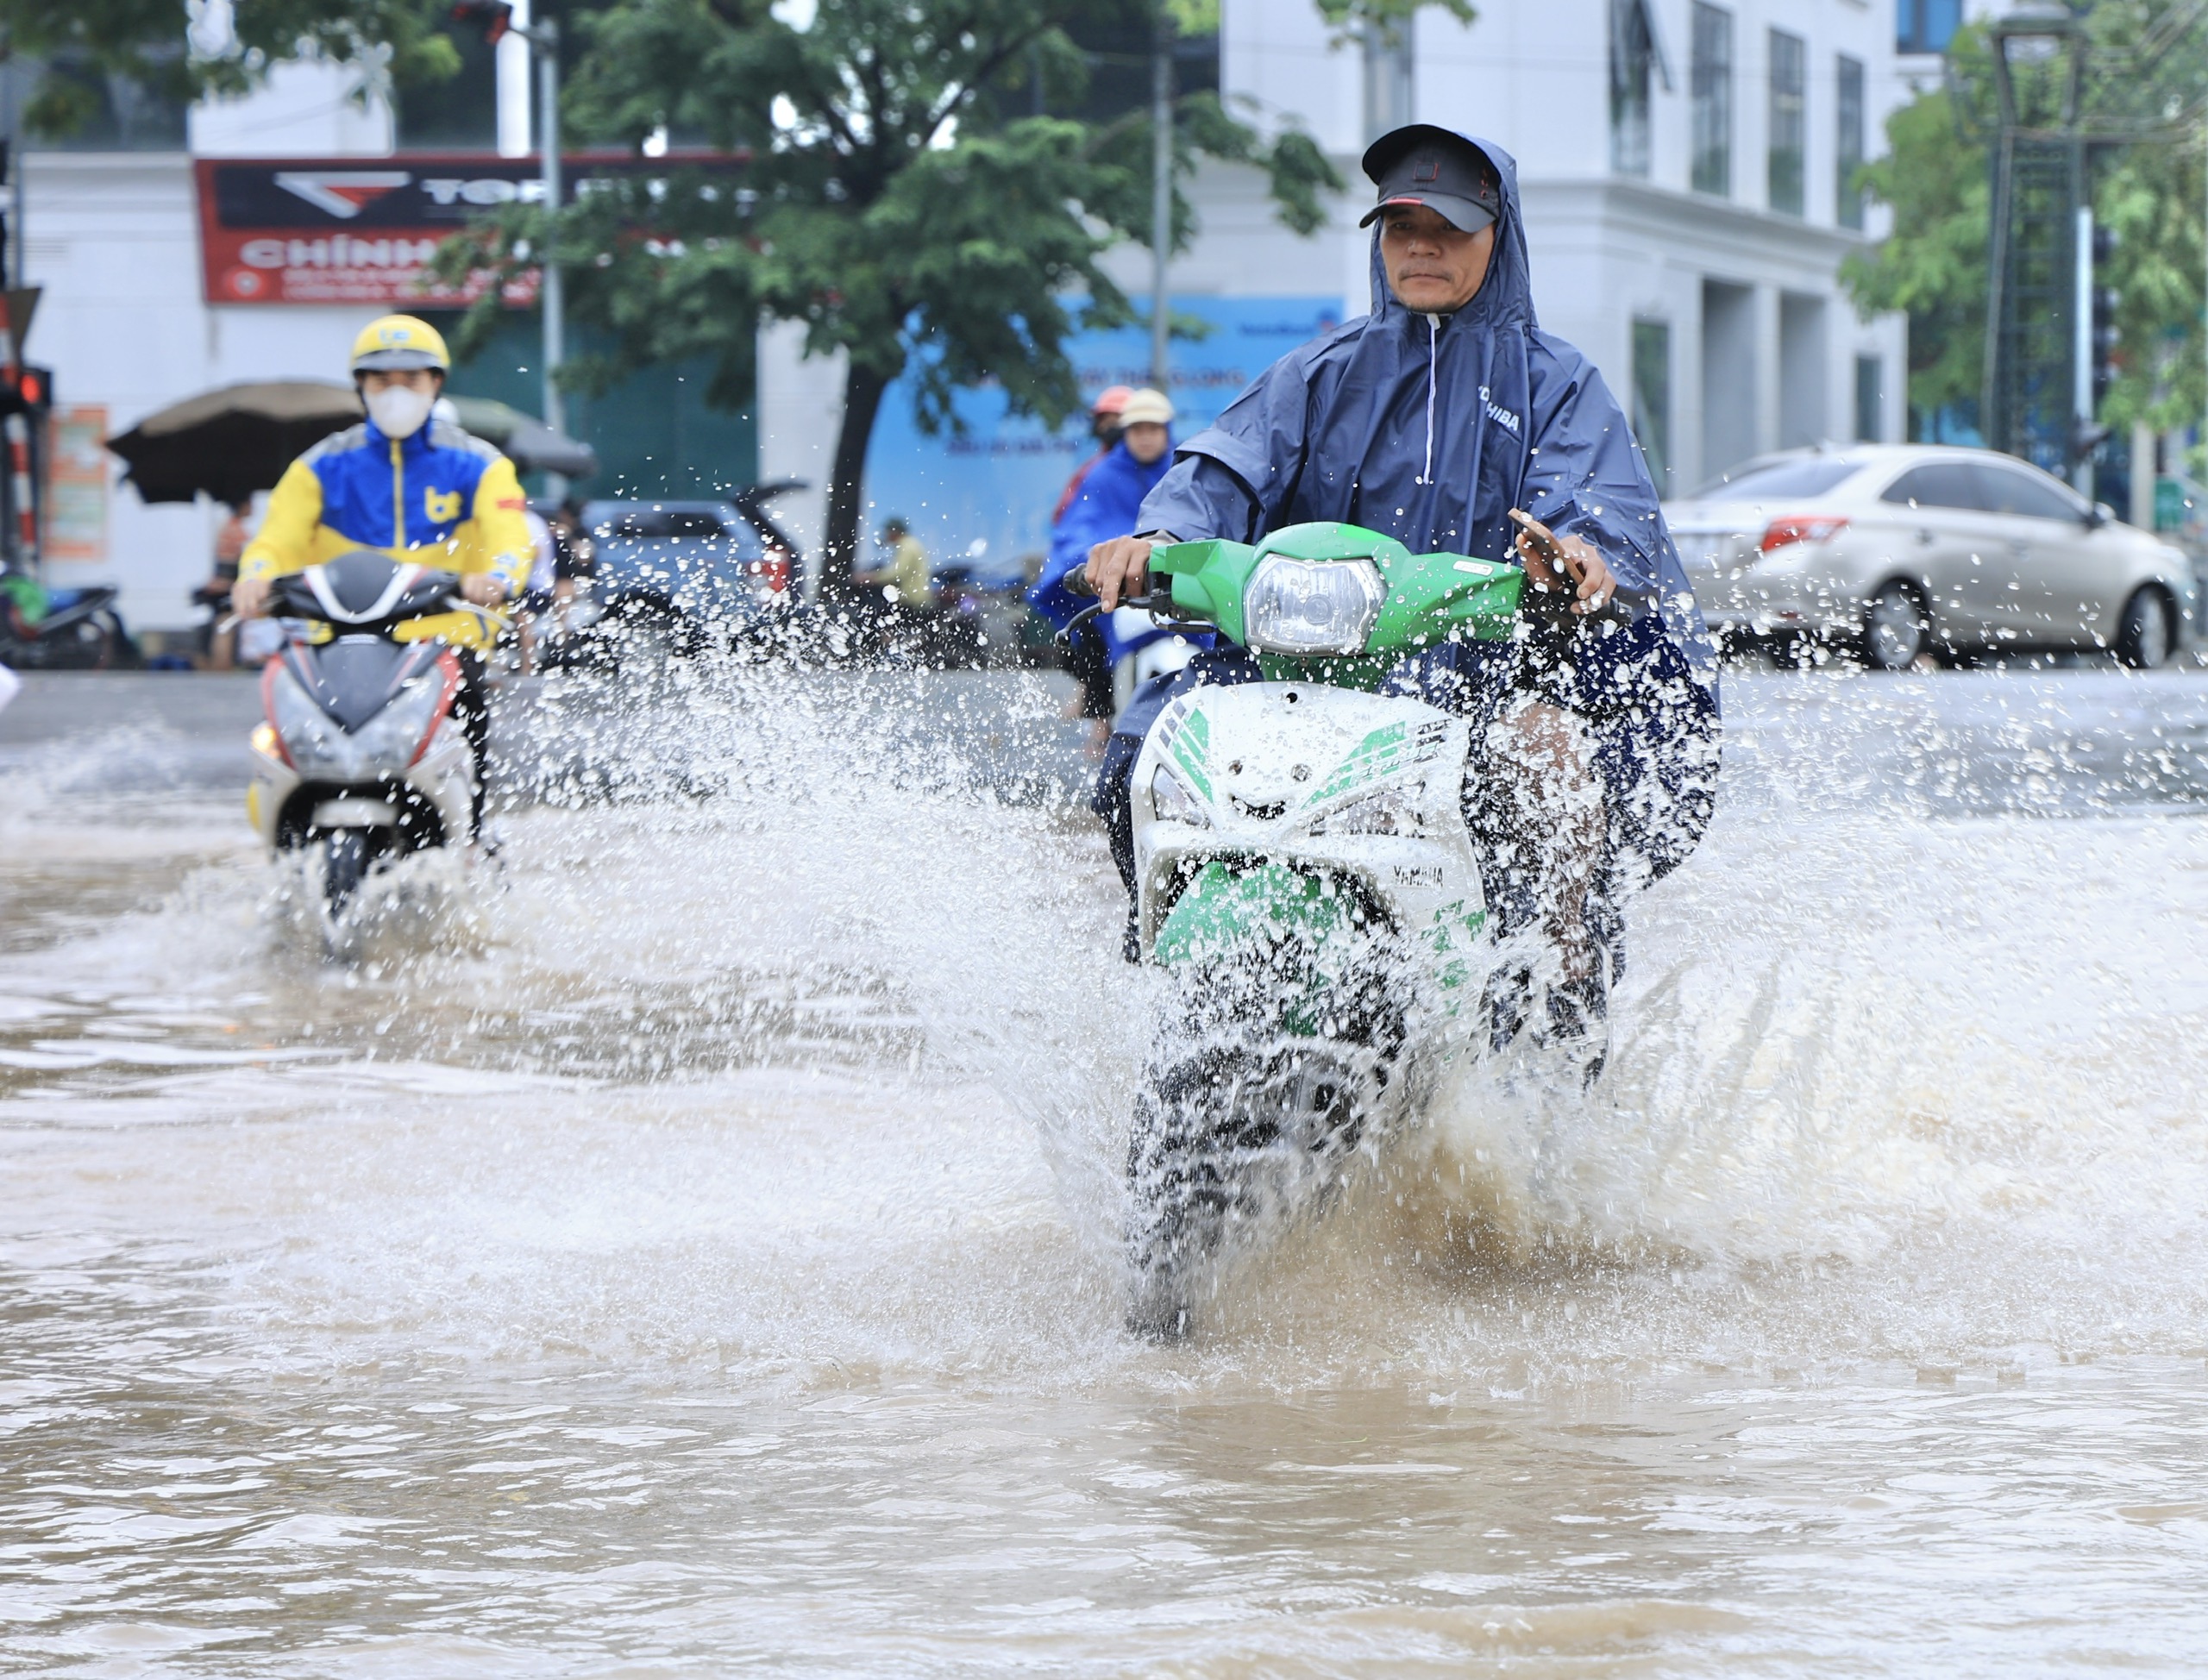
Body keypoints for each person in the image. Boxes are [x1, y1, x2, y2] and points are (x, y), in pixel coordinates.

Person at [1081, 124, 1722, 1052]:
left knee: (1550, 771)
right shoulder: (1319, 371)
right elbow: (1225, 465)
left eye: (1447, 227)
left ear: (1498, 236)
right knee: (1146, 751)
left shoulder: (1559, 385)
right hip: (1304, 674)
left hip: (1490, 682)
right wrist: (1159, 536)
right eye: (1399, 226)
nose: (1419, 246)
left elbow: (1598, 503)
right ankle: (1175, 969)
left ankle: (1557, 996)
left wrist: (1577, 553)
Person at [230, 314, 532, 839]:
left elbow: (511, 533)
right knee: (283, 744)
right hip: (339, 644)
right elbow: (273, 540)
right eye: (381, 380)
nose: (396, 391)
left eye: (411, 379)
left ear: (436, 383)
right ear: (361, 387)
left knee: (472, 744)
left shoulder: (479, 463)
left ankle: (473, 844)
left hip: (445, 644)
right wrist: (255, 577)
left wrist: (500, 576)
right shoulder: (320, 466)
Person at [1032, 387, 1186, 746]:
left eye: (1154, 428)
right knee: (1087, 638)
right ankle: (1103, 718)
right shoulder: (1101, 474)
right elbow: (1078, 526)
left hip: (1175, 581)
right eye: (1137, 429)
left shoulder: (1184, 471)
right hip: (1114, 586)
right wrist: (1093, 559)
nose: (1145, 437)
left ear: (1167, 430)